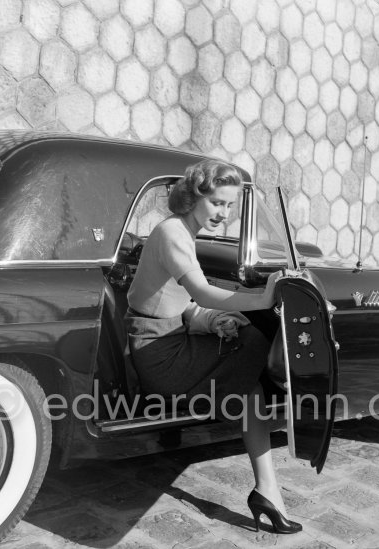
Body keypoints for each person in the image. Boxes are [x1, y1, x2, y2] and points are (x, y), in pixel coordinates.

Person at [125, 159, 302, 534]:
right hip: (159, 356)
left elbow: (179, 303)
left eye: (230, 206)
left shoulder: (183, 233)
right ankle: (268, 479)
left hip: (166, 340)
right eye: (217, 203)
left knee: (250, 384)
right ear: (193, 196)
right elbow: (202, 292)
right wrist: (265, 297)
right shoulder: (173, 232)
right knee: (254, 339)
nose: (224, 214)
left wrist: (213, 320)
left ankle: (267, 490)